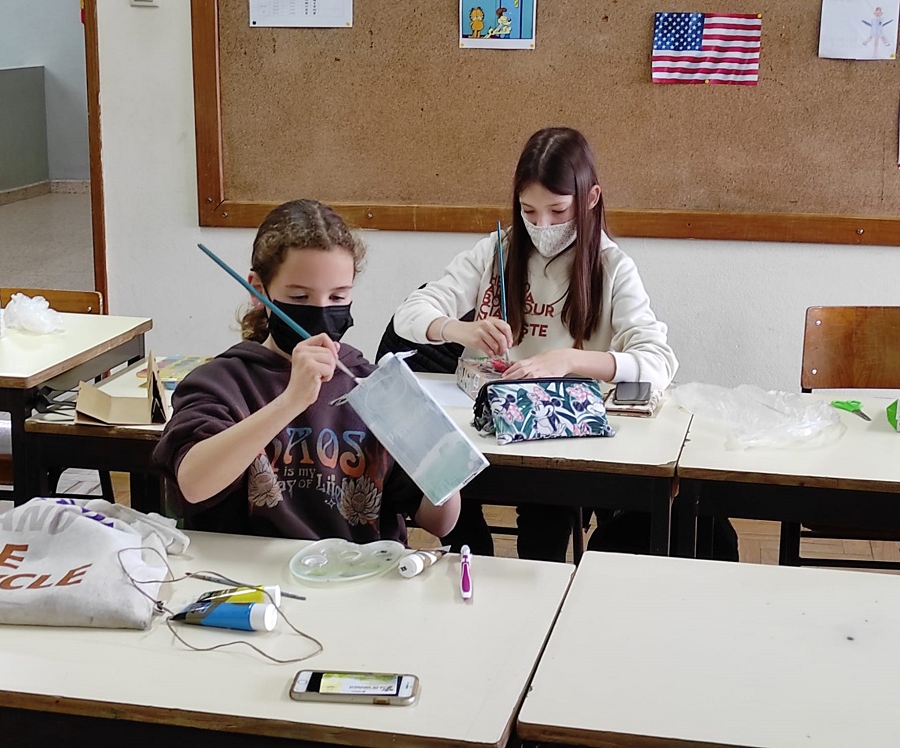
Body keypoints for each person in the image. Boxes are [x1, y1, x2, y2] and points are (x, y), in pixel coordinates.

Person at [391, 127, 680, 562]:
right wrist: (458, 329)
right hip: (480, 431)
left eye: (557, 210)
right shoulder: (498, 250)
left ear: (590, 198)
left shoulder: (611, 267)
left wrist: (567, 360)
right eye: (528, 210)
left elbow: (657, 362)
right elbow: (409, 314)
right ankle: (475, 565)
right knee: (454, 506)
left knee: (543, 530)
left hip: (555, 441)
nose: (541, 226)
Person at [153, 199, 460, 543]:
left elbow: (439, 523)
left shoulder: (373, 386)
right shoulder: (220, 384)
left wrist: (442, 465)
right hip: (252, 572)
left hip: (358, 571)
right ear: (258, 291)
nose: (321, 311)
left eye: (338, 297)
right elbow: (193, 484)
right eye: (300, 297)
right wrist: (291, 401)